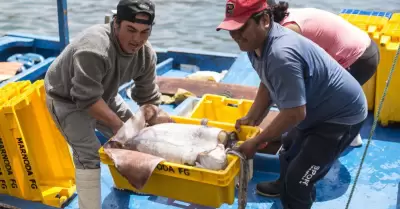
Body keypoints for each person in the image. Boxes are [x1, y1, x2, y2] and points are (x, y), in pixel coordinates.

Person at [216, 0, 368, 208]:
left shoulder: (281, 54)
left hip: (340, 118)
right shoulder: (254, 46)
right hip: (316, 108)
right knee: (288, 149)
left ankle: (294, 192)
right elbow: (267, 82)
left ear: (265, 20)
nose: (235, 35)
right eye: (231, 29)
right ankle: (282, 185)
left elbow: (295, 113)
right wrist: (252, 117)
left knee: (299, 182)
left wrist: (256, 141)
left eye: (241, 27)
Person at [44, 0, 162, 208]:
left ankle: (128, 182)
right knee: (89, 153)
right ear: (116, 23)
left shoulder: (146, 54)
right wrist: (119, 128)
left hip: (105, 93)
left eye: (145, 32)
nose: (137, 39)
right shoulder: (94, 47)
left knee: (138, 137)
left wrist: (158, 127)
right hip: (67, 99)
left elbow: (148, 98)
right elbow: (86, 98)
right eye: (131, 30)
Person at [269, 1, 380, 146]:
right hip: (366, 47)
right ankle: (351, 134)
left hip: (358, 59)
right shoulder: (287, 15)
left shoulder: (288, 30)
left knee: (316, 104)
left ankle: (344, 137)